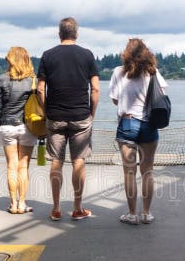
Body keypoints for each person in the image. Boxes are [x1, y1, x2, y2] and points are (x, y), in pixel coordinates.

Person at [36, 17, 100, 221]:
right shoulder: (87, 55)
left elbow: (40, 89)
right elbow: (96, 88)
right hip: (81, 115)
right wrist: (92, 112)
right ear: (76, 34)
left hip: (55, 116)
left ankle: (55, 208)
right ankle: (77, 207)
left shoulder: (47, 56)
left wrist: (46, 110)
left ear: (59, 34)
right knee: (78, 161)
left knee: (56, 161)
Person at [109, 38, 167, 224]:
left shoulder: (118, 72)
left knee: (129, 172)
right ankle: (147, 213)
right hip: (149, 124)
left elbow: (115, 100)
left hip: (127, 123)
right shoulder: (153, 72)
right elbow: (162, 96)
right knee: (148, 171)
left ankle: (132, 214)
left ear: (126, 53)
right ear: (146, 53)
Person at [0, 46, 38, 214]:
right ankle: (22, 203)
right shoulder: (33, 81)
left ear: (11, 60)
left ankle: (13, 204)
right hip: (27, 127)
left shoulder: (2, 80)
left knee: (11, 166)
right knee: (23, 167)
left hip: (7, 127)